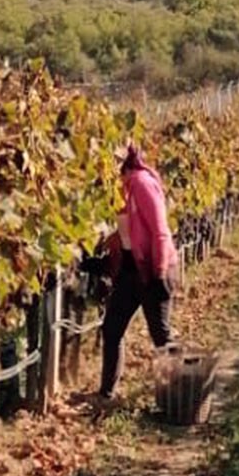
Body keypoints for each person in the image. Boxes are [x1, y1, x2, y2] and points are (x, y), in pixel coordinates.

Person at [98, 143, 180, 403]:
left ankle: (177, 395)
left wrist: (159, 272)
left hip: (153, 270)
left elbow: (160, 231)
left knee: (161, 335)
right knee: (111, 328)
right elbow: (126, 234)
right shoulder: (120, 190)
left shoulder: (142, 183)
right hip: (131, 271)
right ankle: (106, 393)